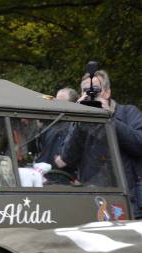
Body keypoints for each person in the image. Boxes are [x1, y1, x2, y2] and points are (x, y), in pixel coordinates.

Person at [55, 70, 142, 218]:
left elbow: (139, 144)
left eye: (95, 89)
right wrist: (79, 119)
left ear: (107, 93)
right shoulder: (80, 122)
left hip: (128, 200)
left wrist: (109, 119)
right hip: (93, 202)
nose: (90, 94)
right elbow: (68, 158)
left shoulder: (128, 113)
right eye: (85, 91)